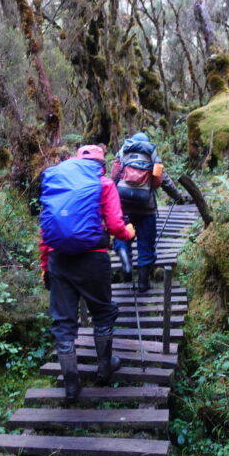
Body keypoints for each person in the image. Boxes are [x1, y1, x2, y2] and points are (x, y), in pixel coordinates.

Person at [39, 145, 135, 400]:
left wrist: (45, 266)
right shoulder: (104, 184)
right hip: (93, 258)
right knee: (102, 312)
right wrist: (128, 233)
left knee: (63, 321)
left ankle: (71, 384)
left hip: (59, 259)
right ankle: (104, 367)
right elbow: (115, 225)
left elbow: (45, 231)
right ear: (101, 163)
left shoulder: (59, 184)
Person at [111, 132, 184, 292]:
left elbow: (114, 178)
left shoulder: (122, 153)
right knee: (146, 243)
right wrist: (177, 196)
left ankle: (126, 262)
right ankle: (143, 283)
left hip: (123, 207)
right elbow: (161, 181)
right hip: (146, 208)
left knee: (123, 235)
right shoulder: (152, 156)